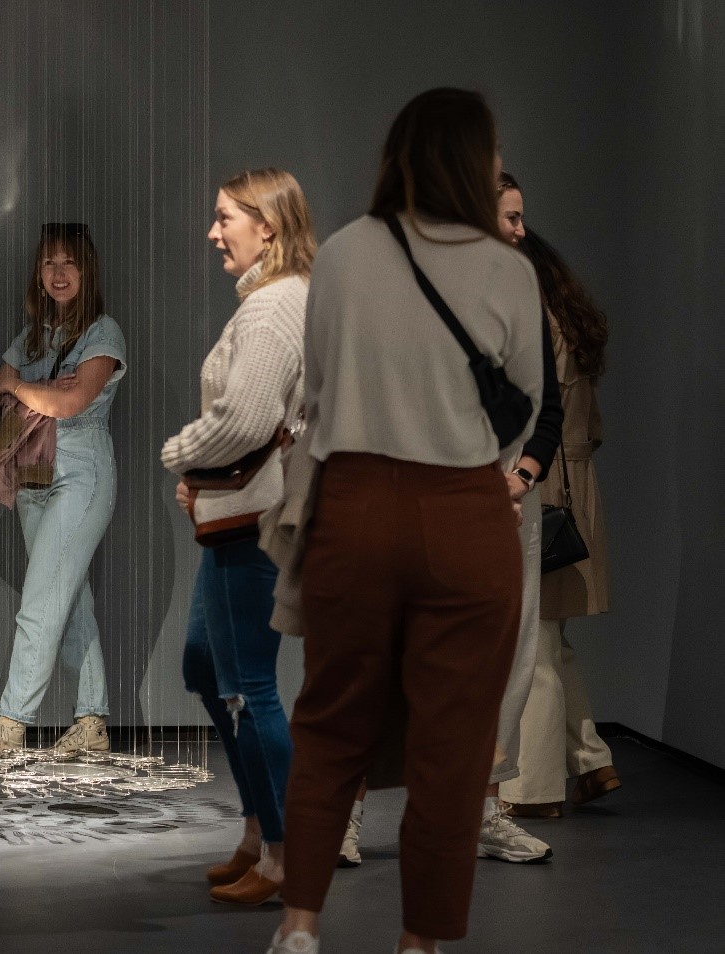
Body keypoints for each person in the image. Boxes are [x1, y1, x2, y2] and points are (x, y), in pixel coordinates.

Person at [268, 88, 543, 954]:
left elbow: (314, 387)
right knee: (453, 747)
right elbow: (527, 405)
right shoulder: (508, 269)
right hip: (464, 511)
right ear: (475, 161)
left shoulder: (347, 252)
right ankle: (419, 944)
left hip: (354, 506)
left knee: (330, 724)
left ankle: (300, 928)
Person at [336, 171, 564, 870]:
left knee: (507, 667)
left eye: (523, 217)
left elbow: (548, 410)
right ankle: (346, 811)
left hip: (505, 513)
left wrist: (520, 478)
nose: (522, 230)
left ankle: (483, 812)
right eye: (511, 217)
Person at [160, 169, 314, 905]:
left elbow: (245, 423)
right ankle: (261, 828)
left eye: (226, 219)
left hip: (252, 522)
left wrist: (181, 453)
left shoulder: (273, 308)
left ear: (269, 226)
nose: (214, 232)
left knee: (251, 687)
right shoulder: (270, 303)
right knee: (203, 667)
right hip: (232, 514)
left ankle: (285, 854)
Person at [0, 222, 127, 754]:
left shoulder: (103, 332)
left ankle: (12, 723)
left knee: (40, 599)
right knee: (68, 597)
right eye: (49, 263)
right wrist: (43, 388)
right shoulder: (33, 337)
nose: (57, 273)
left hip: (82, 472)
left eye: (69, 263)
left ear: (87, 271)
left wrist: (24, 388)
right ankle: (92, 721)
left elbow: (70, 405)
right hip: (33, 476)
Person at [499, 226, 617, 817]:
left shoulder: (534, 322)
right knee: (553, 637)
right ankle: (592, 761)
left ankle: (536, 788)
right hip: (573, 485)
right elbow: (592, 428)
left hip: (540, 485)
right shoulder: (569, 318)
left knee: (536, 642)